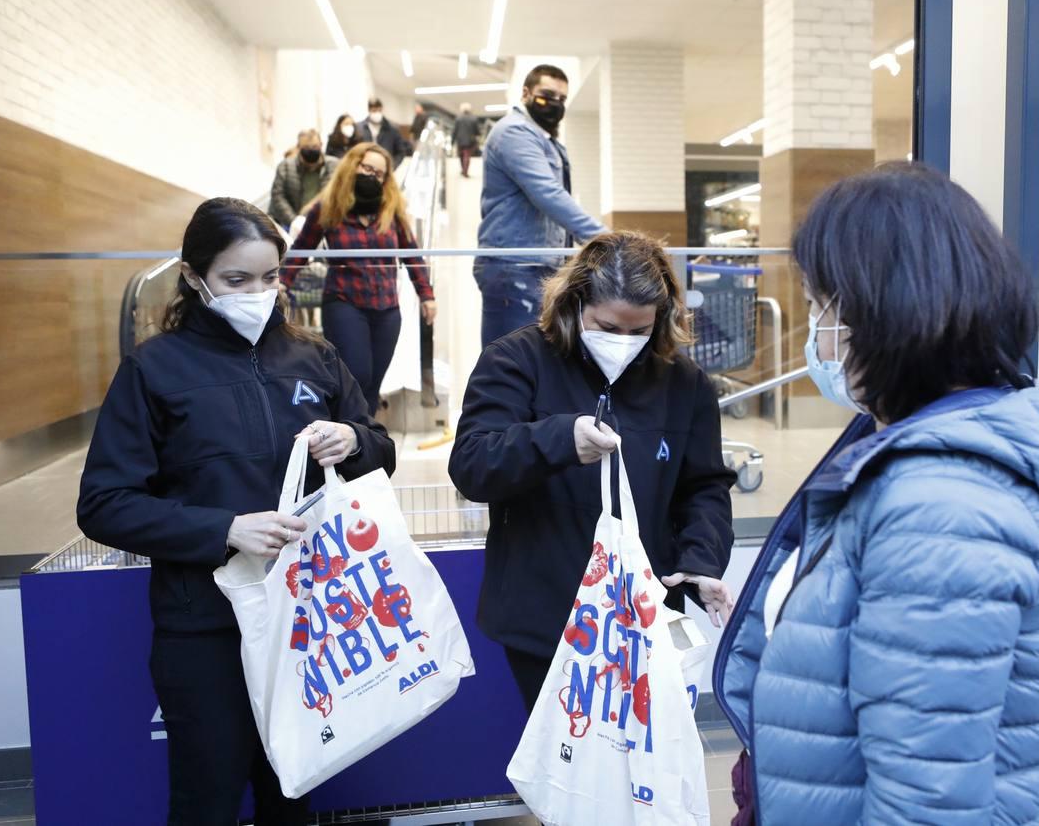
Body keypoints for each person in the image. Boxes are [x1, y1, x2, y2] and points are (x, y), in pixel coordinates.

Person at [712, 163, 1039, 824]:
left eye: (824, 305)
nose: (817, 331)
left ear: (885, 309)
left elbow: (928, 804)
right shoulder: (905, 453)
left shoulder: (945, 504)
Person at [77, 198, 396, 825]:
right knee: (208, 799)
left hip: (310, 620)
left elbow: (378, 450)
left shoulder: (315, 357)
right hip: (204, 627)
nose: (258, 293)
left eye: (271, 277)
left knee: (294, 792)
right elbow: (105, 505)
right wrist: (223, 530)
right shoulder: (154, 369)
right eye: (236, 279)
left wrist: (355, 441)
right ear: (195, 277)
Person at [449, 231, 736, 712]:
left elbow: (704, 485)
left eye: (639, 331)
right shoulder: (516, 360)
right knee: (562, 772)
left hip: (645, 614)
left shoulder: (684, 383)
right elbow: (473, 466)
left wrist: (701, 560)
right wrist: (558, 440)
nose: (623, 343)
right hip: (545, 614)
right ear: (574, 304)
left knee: (638, 774)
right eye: (607, 327)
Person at [283, 143, 437, 416]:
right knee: (356, 375)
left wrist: (427, 294)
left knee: (373, 383)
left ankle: (364, 445)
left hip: (387, 309)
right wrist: (280, 283)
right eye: (367, 168)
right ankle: (350, 439)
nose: (372, 176)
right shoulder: (329, 207)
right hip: (344, 303)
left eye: (379, 174)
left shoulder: (392, 210)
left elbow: (411, 254)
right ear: (353, 166)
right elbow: (302, 248)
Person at [475, 63, 606, 347]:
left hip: (537, 264)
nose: (555, 103)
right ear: (525, 93)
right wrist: (603, 238)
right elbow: (546, 193)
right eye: (547, 94)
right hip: (515, 264)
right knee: (510, 361)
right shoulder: (514, 133)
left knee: (536, 362)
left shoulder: (545, 140)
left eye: (562, 98)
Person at [268, 129, 337, 228]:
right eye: (306, 147)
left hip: (323, 222)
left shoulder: (333, 165)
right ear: (299, 147)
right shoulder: (286, 166)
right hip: (290, 222)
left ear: (321, 145)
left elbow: (334, 193)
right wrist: (294, 221)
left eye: (314, 146)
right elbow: (278, 195)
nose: (311, 149)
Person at [356, 98, 411, 164]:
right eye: (374, 110)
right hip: (365, 165)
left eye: (379, 110)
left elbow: (400, 151)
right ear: (369, 110)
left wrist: (392, 166)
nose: (377, 113)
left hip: (385, 166)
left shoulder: (392, 128)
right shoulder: (359, 128)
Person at [453, 102, 480, 178]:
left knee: (461, 156)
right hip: (470, 141)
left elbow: (455, 130)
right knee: (467, 156)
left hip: (460, 140)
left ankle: (463, 170)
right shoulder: (473, 118)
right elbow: (477, 131)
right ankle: (465, 171)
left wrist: (453, 140)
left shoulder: (458, 118)